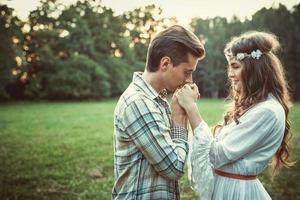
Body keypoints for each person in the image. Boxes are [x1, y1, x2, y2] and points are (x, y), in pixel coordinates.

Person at [175, 31, 293, 200]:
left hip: (237, 192)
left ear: (255, 69)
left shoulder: (268, 111)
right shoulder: (256, 107)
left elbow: (215, 155)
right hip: (227, 187)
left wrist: (191, 108)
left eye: (235, 66)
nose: (230, 74)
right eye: (229, 67)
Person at [112, 25, 205, 199]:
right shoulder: (139, 103)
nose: (190, 80)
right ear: (165, 63)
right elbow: (173, 167)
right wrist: (178, 119)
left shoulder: (157, 100)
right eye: (187, 72)